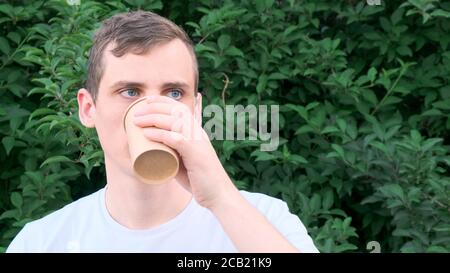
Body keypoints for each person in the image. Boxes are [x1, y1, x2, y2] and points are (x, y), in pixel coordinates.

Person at [6, 11, 318, 253]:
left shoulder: (262, 220)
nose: (152, 112)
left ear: (195, 110)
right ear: (89, 108)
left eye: (173, 94)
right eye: (130, 91)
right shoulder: (42, 242)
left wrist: (221, 198)